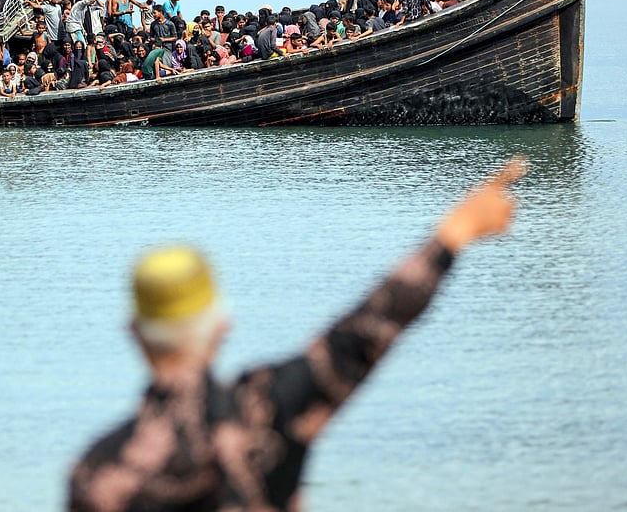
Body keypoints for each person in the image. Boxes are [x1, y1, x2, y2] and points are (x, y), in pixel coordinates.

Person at [68, 159, 528, 512]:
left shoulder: (98, 473)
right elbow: (364, 332)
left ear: (135, 334)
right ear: (221, 327)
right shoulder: (266, 408)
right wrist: (455, 232)